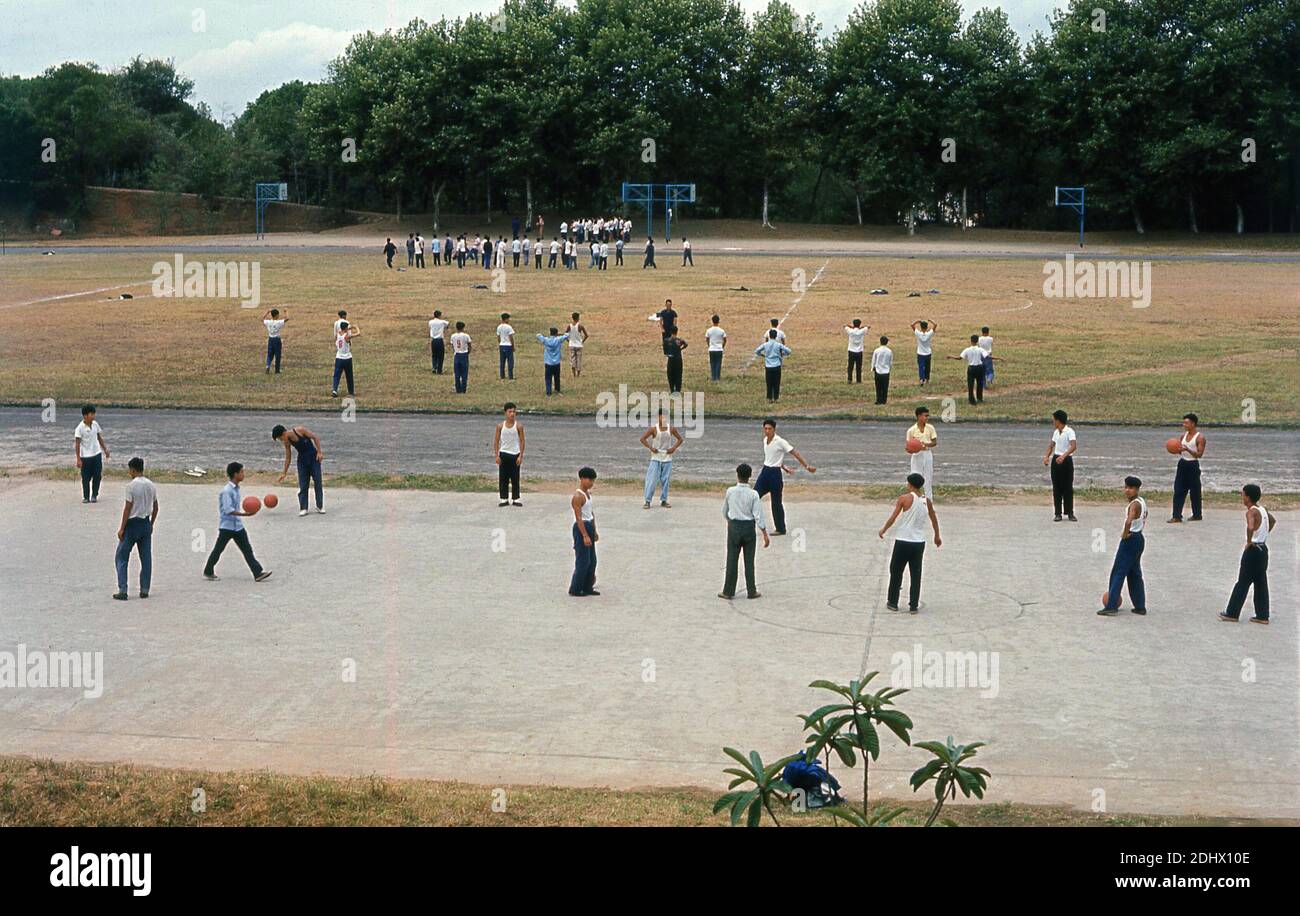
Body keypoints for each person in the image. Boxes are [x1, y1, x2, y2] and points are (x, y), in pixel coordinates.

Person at [878, 472, 943, 614]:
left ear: (910, 484)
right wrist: (937, 536)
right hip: (918, 542)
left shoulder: (904, 499)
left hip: (903, 540)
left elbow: (893, 518)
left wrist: (884, 529)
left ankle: (893, 602)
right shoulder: (927, 501)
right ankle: (913, 605)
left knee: (896, 571)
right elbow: (933, 519)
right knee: (915, 573)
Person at [203, 462, 272, 582]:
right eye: (241, 472)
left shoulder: (236, 489)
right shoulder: (227, 491)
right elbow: (228, 510)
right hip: (227, 527)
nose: (243, 474)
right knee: (218, 549)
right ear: (235, 474)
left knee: (247, 550)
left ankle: (258, 573)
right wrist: (245, 514)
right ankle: (208, 571)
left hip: (237, 526)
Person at [1218, 484, 1276, 624]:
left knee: (1242, 582)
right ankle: (1263, 615)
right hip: (1263, 550)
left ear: (1248, 497)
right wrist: (1263, 534)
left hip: (1253, 550)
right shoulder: (1262, 509)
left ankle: (1232, 613)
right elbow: (1273, 521)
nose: (1242, 497)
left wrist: (1249, 540)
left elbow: (1250, 526)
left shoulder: (1251, 512)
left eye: (1243, 495)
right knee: (1261, 582)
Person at [1097, 477, 1148, 617]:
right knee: (1134, 573)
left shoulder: (1134, 505)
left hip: (1131, 539)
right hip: (1139, 538)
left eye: (1130, 488)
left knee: (1118, 572)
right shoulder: (1142, 502)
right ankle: (1140, 606)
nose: (1127, 490)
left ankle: (1111, 604)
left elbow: (1129, 521)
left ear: (1137, 489)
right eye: (1126, 487)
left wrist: (1125, 534)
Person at [755, 419, 816, 536]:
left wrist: (806, 466)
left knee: (776, 502)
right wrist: (784, 466)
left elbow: (795, 453)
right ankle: (747, 521)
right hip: (765, 472)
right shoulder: (765, 440)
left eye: (770, 429)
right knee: (754, 496)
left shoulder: (780, 441)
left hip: (775, 474)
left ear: (774, 429)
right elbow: (773, 457)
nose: (767, 431)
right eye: (765, 429)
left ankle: (780, 528)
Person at [720, 462, 770, 600]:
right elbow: (758, 515)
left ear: (737, 475)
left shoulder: (730, 491)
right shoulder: (753, 494)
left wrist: (730, 522)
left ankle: (728, 591)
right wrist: (765, 533)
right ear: (750, 476)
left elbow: (725, 511)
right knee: (749, 561)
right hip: (748, 528)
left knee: (732, 559)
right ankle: (751, 590)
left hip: (734, 527)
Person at [113, 456, 158, 600]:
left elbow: (127, 508)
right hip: (145, 523)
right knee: (146, 558)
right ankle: (144, 589)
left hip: (132, 525)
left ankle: (123, 590)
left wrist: (122, 528)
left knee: (121, 556)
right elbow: (156, 507)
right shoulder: (151, 485)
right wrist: (151, 524)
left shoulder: (131, 486)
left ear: (132, 470)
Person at [272, 423, 325, 516]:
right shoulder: (287, 442)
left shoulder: (300, 430)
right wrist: (284, 473)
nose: (281, 440)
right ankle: (303, 507)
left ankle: (319, 506)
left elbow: (315, 437)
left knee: (318, 481)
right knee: (303, 484)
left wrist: (319, 452)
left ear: (283, 434)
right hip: (302, 461)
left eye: (280, 438)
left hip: (313, 458)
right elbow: (288, 457)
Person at [640, 410, 683, 508]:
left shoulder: (671, 429)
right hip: (655, 457)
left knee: (665, 480)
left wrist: (673, 448)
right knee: (651, 480)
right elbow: (642, 439)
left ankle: (664, 500)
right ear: (658, 417)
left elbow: (680, 439)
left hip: (667, 458)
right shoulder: (653, 429)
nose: (663, 419)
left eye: (665, 417)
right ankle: (647, 501)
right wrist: (651, 448)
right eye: (662, 417)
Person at [1169, 412, 1206, 523]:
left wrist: (1188, 449)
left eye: (1186, 423)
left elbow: (1199, 454)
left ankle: (1197, 514)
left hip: (1193, 465)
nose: (1184, 425)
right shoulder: (1183, 436)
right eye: (1183, 423)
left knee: (1195, 491)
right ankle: (1176, 516)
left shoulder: (1200, 437)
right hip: (1183, 464)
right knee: (1178, 489)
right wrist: (1176, 450)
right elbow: (1180, 451)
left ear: (1193, 424)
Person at [569, 467, 600, 597]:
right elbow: (579, 518)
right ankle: (576, 588)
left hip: (589, 526)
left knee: (592, 560)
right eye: (589, 480)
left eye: (593, 480)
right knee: (583, 561)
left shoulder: (588, 495)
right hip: (582, 527)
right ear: (582, 479)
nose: (591, 483)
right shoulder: (578, 497)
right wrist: (585, 535)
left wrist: (595, 530)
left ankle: (588, 586)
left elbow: (591, 513)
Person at [1044, 409, 1077, 521]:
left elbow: (1073, 446)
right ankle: (1058, 513)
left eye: (1054, 420)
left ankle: (1070, 512)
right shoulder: (1055, 432)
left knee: (1068, 487)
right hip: (1056, 460)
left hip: (1066, 460)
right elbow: (1051, 445)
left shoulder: (1070, 431)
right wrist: (1047, 457)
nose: (1053, 422)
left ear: (1059, 420)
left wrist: (1063, 456)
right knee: (1056, 487)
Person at [74, 404, 110, 503]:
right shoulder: (79, 428)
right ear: (85, 415)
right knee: (85, 478)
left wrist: (105, 449)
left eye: (94, 414)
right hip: (85, 456)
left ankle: (94, 495)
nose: (93, 416)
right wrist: (78, 459)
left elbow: (99, 438)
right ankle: (86, 496)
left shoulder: (95, 424)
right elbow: (77, 444)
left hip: (97, 454)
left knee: (97, 476)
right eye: (91, 414)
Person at [493, 403, 525, 507]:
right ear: (505, 413)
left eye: (514, 412)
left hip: (515, 454)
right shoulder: (500, 426)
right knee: (503, 477)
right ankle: (504, 498)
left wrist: (520, 456)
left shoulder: (519, 426)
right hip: (504, 453)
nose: (512, 414)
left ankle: (515, 498)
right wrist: (497, 455)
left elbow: (522, 441)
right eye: (510, 412)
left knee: (515, 477)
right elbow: (496, 441)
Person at [906, 407, 937, 498]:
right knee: (915, 477)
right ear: (919, 416)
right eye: (925, 416)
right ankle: (915, 499)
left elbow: (934, 442)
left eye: (928, 416)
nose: (927, 418)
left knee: (928, 478)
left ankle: (928, 500)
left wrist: (924, 445)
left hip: (927, 454)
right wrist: (913, 449)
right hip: (917, 455)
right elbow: (908, 447)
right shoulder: (911, 430)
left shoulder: (930, 428)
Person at [947, 334, 986, 406]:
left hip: (971, 368)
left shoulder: (967, 350)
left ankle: (972, 401)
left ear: (971, 341)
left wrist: (951, 356)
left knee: (970, 385)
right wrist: (998, 358)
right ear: (977, 341)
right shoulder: (980, 349)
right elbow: (986, 356)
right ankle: (979, 398)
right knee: (979, 384)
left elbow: (959, 358)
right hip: (979, 368)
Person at [755, 330, 791, 402]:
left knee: (769, 383)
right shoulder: (778, 345)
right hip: (777, 365)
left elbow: (757, 351)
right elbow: (789, 351)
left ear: (769, 336)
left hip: (768, 366)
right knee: (777, 382)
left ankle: (769, 398)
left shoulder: (765, 344)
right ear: (776, 336)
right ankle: (776, 398)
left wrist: (763, 355)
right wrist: (782, 355)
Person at [331, 320, 359, 397]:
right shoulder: (347, 336)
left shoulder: (337, 334)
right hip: (347, 358)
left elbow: (342, 331)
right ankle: (351, 391)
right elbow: (358, 334)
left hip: (339, 357)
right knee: (349, 375)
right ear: (346, 328)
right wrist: (355, 327)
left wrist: (347, 328)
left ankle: (334, 390)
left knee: (336, 375)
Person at [537, 327, 568, 395]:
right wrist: (560, 334)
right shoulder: (559, 339)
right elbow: (567, 335)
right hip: (556, 362)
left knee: (548, 378)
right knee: (557, 377)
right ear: (556, 333)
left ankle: (548, 391)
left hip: (548, 362)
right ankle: (557, 389)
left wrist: (546, 336)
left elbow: (538, 335)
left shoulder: (546, 340)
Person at [911, 319, 936, 386]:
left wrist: (917, 321)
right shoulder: (929, 334)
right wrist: (931, 321)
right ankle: (927, 379)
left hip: (920, 353)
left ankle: (922, 379)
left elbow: (912, 326)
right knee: (928, 366)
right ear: (927, 327)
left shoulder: (918, 334)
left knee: (921, 367)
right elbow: (935, 325)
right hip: (928, 353)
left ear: (921, 327)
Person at [262, 308, 287, 374]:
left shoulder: (268, 322)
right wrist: (285, 312)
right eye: (278, 315)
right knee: (277, 355)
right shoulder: (278, 322)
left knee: (270, 354)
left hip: (270, 339)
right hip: (277, 340)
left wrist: (267, 312)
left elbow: (263, 319)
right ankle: (277, 370)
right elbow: (287, 319)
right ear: (276, 315)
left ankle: (267, 366)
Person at [664, 326, 688, 393]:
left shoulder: (666, 340)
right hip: (678, 359)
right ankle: (678, 390)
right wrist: (681, 349)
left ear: (670, 332)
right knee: (678, 374)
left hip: (671, 359)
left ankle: (672, 389)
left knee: (670, 374)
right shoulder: (679, 340)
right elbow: (686, 344)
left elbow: (665, 351)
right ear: (677, 332)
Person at [451, 322, 472, 393]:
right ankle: (463, 388)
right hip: (464, 354)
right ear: (463, 327)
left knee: (457, 373)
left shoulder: (453, 336)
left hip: (457, 354)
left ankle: (458, 388)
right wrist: (468, 351)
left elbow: (452, 345)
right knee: (464, 373)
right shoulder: (466, 336)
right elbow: (469, 345)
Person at [565, 312, 589, 377]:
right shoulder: (580, 326)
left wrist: (569, 341)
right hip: (579, 345)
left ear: (572, 318)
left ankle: (574, 375)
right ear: (578, 318)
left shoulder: (569, 326)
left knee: (572, 359)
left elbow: (565, 335)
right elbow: (586, 335)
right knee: (579, 360)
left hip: (571, 345)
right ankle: (578, 375)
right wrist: (582, 342)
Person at [844, 319, 868, 384]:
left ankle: (849, 379)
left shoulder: (850, 331)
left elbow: (845, 326)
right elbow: (866, 327)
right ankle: (858, 380)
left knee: (850, 366)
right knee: (859, 367)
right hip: (859, 351)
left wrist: (852, 327)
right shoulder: (862, 331)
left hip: (851, 351)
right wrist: (860, 328)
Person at [871, 336, 893, 405]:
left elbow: (873, 360)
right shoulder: (889, 351)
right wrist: (889, 368)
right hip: (886, 371)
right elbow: (890, 362)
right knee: (885, 387)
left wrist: (873, 368)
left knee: (878, 387)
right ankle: (884, 400)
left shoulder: (876, 350)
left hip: (878, 371)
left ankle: (878, 399)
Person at [705, 315, 727, 381]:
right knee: (718, 363)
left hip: (711, 348)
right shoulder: (721, 331)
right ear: (718, 321)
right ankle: (717, 377)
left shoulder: (709, 330)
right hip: (719, 348)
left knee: (712, 363)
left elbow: (707, 339)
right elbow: (725, 339)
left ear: (712, 321)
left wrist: (709, 345)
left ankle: (713, 376)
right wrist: (722, 346)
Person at [496, 313, 516, 381]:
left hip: (502, 345)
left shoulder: (499, 327)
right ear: (506, 319)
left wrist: (500, 344)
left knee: (502, 361)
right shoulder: (508, 327)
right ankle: (511, 376)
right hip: (508, 345)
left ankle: (502, 376)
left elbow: (498, 337)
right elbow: (511, 337)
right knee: (510, 362)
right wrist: (513, 346)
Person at [429, 310, 448, 374]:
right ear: (439, 315)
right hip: (439, 340)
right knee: (440, 356)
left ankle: (434, 367)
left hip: (433, 340)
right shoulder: (442, 322)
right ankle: (439, 370)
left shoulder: (430, 322)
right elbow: (447, 324)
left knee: (434, 355)